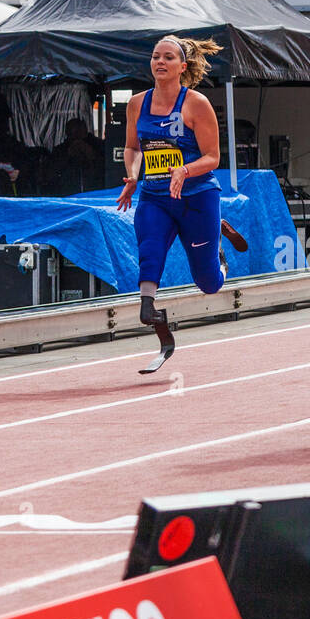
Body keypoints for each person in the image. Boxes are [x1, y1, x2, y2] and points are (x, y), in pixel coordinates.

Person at [117, 36, 247, 373]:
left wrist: (185, 170)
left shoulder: (196, 104)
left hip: (196, 198)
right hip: (156, 197)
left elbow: (213, 157)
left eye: (168, 58)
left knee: (208, 283)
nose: (160, 62)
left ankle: (216, 246)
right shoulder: (136, 104)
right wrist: (132, 175)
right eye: (155, 57)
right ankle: (150, 311)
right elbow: (132, 148)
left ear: (182, 66)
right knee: (150, 251)